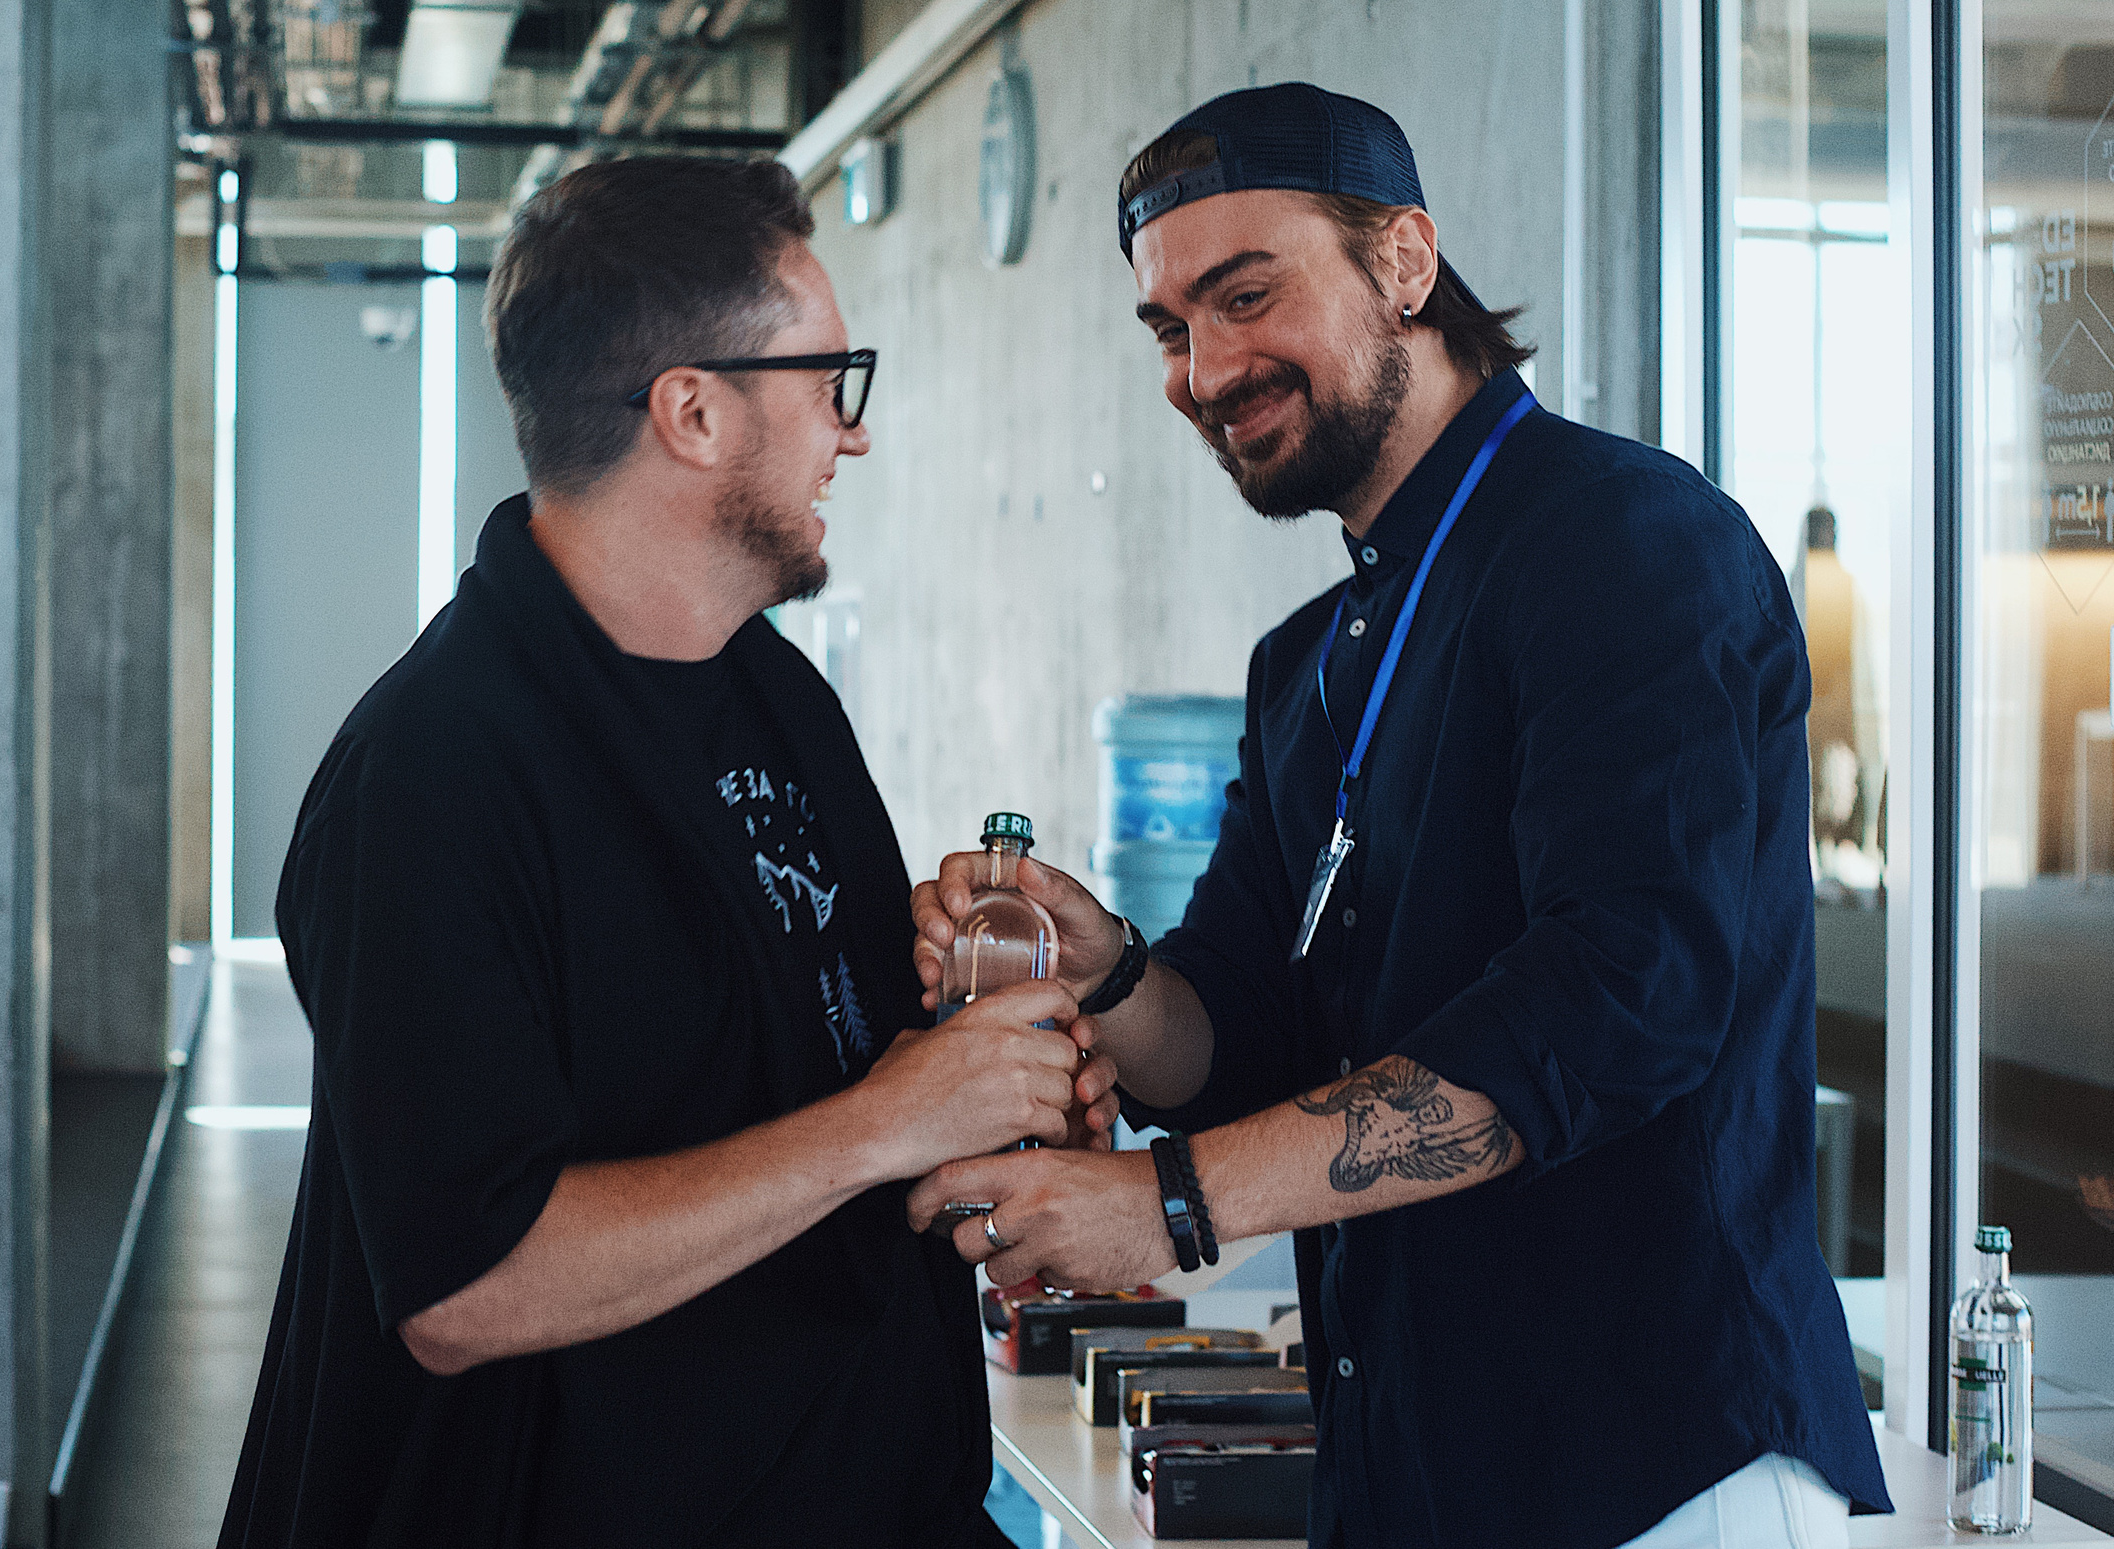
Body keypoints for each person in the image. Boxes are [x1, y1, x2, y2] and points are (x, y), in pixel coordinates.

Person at [902, 84, 1894, 1549]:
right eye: (1170, 330)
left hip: (1668, 1470)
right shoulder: (1308, 662)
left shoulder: (1629, 543)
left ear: (1407, 262)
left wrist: (1168, 1206)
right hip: (1417, 1471)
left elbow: (1617, 1006)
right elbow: (1229, 1034)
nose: (1202, 368)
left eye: (1246, 294)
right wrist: (1103, 960)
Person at [219, 155, 1116, 1548]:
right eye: (831, 379)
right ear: (692, 410)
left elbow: (812, 1084)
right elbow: (468, 1288)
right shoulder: (428, 778)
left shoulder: (774, 693)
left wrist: (976, 1065)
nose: (852, 433)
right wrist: (888, 1118)